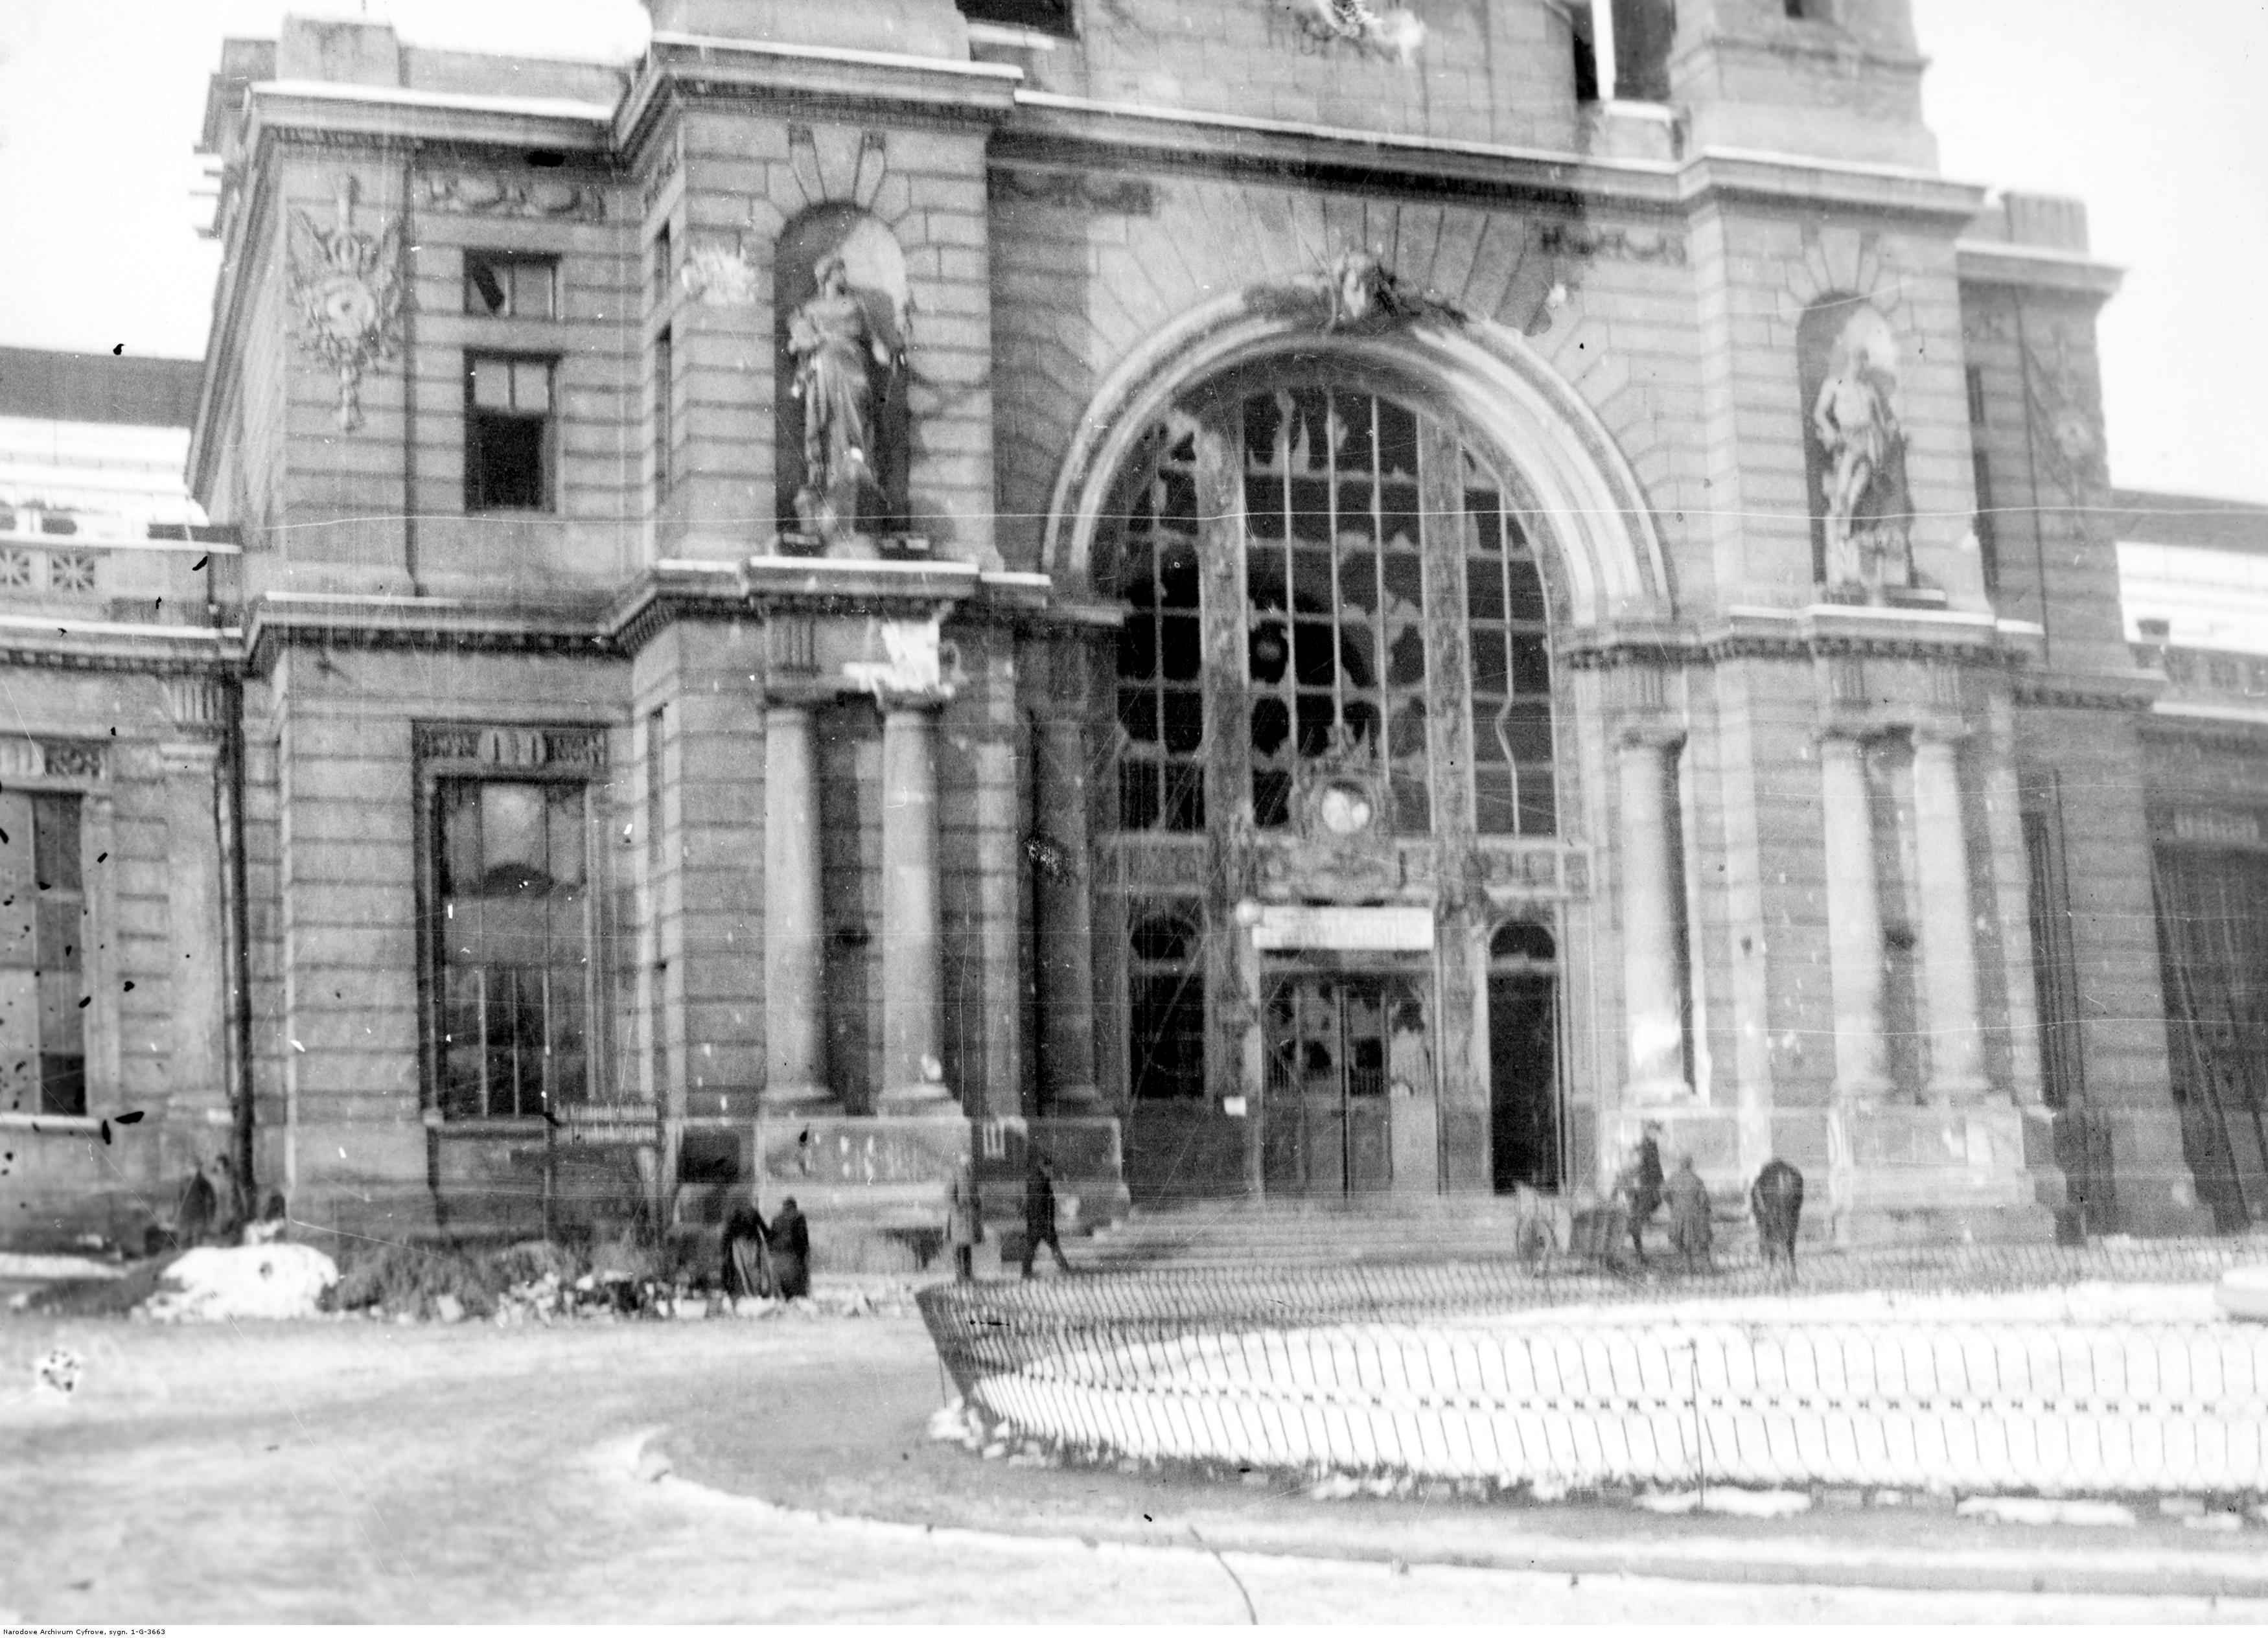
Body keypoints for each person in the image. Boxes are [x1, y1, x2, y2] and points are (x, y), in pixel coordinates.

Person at [786, 251, 901, 530]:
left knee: (858, 419)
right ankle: (825, 479)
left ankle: (859, 473)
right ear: (826, 275)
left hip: (854, 367)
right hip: (825, 368)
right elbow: (799, 343)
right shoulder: (810, 309)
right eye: (839, 270)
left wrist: (892, 351)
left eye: (844, 270)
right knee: (827, 424)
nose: (843, 276)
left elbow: (874, 343)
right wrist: (807, 341)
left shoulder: (855, 306)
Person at [1021, 1155, 1072, 1280]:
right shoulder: (1040, 1182)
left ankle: (1026, 1272)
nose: (1051, 1172)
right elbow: (1038, 1203)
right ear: (1043, 1167)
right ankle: (1065, 1269)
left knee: (1033, 1247)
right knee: (1052, 1246)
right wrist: (1045, 1222)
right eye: (1049, 1169)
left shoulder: (1038, 1180)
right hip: (1041, 1222)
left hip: (1037, 1221)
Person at [947, 1157, 982, 1282]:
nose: (969, 1161)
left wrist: (977, 1205)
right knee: (958, 1246)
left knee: (967, 1245)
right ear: (961, 1160)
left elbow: (975, 1193)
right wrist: (957, 1209)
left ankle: (968, 1274)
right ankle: (959, 1275)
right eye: (966, 1159)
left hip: (969, 1216)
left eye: (969, 1159)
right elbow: (949, 1195)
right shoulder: (955, 1173)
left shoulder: (971, 1174)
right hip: (959, 1217)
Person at [769, 1196, 811, 1300]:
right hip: (793, 1257)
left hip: (778, 1258)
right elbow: (803, 1238)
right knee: (797, 1291)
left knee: (782, 1289)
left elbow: (771, 1239)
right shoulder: (799, 1217)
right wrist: (805, 1254)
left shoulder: (776, 1218)